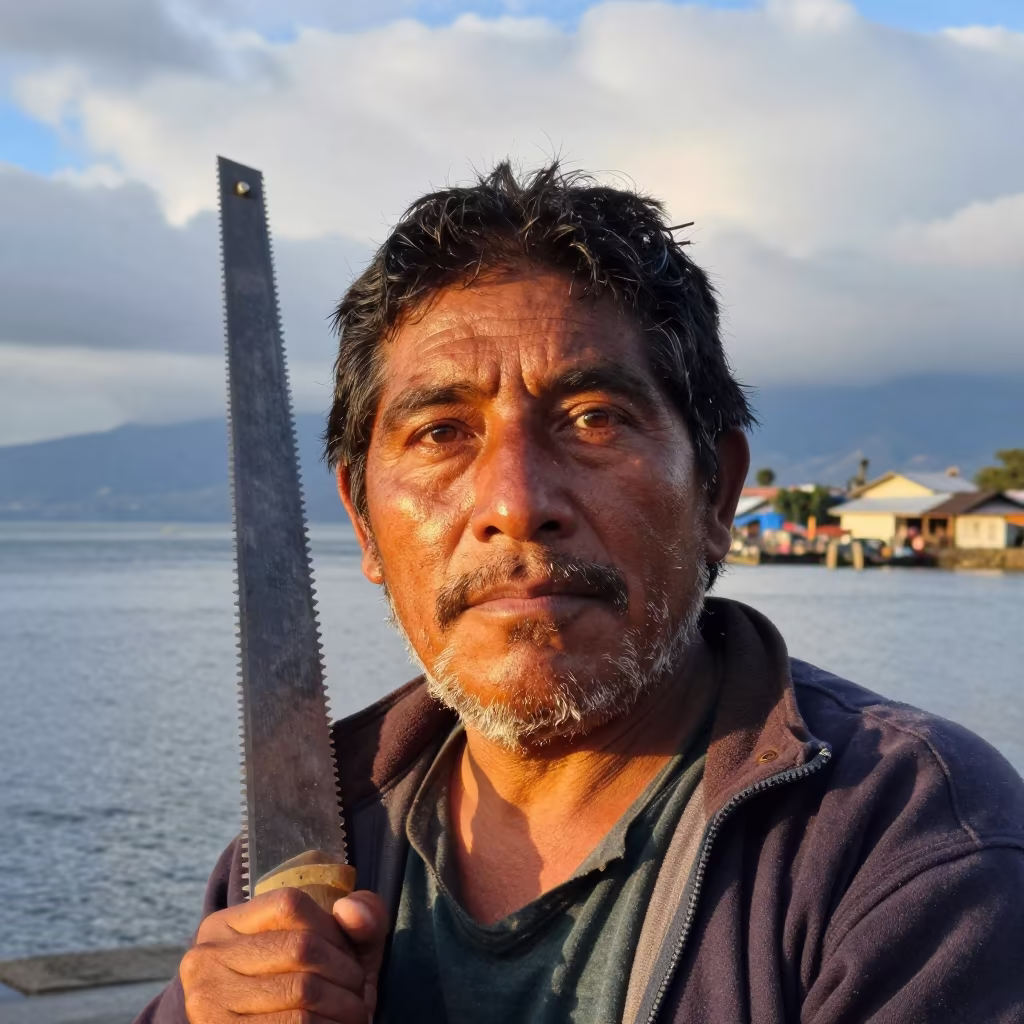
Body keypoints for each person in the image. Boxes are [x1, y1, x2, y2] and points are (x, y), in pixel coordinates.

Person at [138, 163, 1024, 1024]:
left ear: (715, 493)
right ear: (365, 527)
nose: (517, 505)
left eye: (594, 419)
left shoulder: (909, 841)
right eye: (442, 432)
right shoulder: (307, 837)